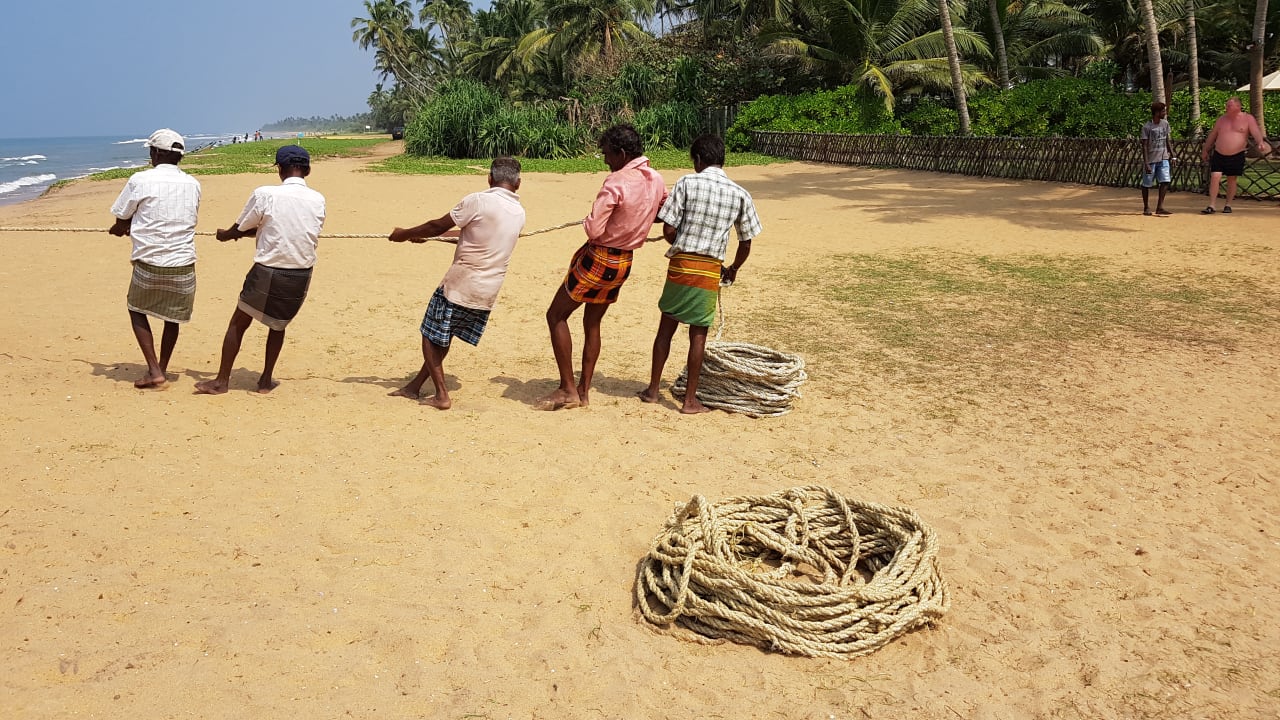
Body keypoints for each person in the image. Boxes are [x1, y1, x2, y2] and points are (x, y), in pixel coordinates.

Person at [537, 124, 667, 410]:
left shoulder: (616, 182)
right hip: (623, 262)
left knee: (556, 315)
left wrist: (591, 219)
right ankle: (583, 391)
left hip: (599, 258)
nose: (606, 160)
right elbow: (663, 210)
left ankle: (568, 389)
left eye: (607, 154)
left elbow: (594, 229)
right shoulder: (656, 179)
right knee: (592, 322)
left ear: (621, 153)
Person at [386, 157, 526, 410]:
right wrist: (430, 239)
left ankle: (441, 395)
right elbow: (473, 236)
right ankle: (414, 387)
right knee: (444, 332)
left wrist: (405, 233)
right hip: (488, 289)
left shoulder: (479, 200)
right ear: (518, 183)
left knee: (430, 336)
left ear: (490, 178)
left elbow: (438, 224)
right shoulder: (519, 212)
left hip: (461, 284)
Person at [638, 134, 763, 414]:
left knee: (665, 330)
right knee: (698, 336)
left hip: (681, 267)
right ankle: (690, 401)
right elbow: (746, 241)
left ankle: (653, 390)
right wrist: (732, 269)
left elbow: (668, 230)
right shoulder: (740, 193)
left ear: (697, 159)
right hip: (709, 271)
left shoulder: (685, 182)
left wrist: (684, 242)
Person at [195, 145, 326, 395]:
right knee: (278, 325)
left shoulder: (265, 194)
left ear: (280, 169)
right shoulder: (318, 199)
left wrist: (226, 235)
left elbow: (241, 227)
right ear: (307, 170)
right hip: (301, 273)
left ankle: (221, 381)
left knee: (239, 322)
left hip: (269, 270)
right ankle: (265, 380)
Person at [108, 128, 202, 389]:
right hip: (183, 263)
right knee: (172, 317)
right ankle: (162, 366)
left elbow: (121, 217)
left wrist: (120, 229)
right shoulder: (193, 183)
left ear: (157, 153)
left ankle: (154, 370)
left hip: (149, 261)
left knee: (136, 309)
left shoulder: (140, 180)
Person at [1200, 97, 1272, 214]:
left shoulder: (1248, 118)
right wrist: (1205, 150)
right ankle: (1211, 205)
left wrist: (1260, 143)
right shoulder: (1222, 119)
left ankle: (1228, 204)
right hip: (1219, 153)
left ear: (1238, 106)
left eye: (1229, 105)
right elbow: (1213, 135)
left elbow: (1256, 132)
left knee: (1232, 179)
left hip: (1236, 154)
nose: (1226, 107)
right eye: (1226, 105)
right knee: (1215, 177)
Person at [1140, 102, 1173, 216]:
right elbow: (1144, 145)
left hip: (1163, 157)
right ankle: (1146, 206)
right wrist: (1146, 163)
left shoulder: (1165, 124)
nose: (1165, 113)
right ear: (1157, 113)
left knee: (1165, 181)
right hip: (1151, 159)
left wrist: (1172, 154)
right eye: (1163, 111)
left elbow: (1167, 139)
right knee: (1147, 183)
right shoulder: (1147, 127)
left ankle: (1160, 206)